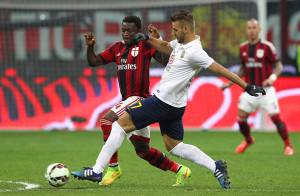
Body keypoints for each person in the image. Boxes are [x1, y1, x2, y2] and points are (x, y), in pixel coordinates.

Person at [72, 10, 265, 189]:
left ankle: (98, 170)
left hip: (162, 102)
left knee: (118, 124)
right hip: (175, 106)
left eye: (175, 29)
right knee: (175, 147)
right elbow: (164, 46)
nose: (172, 33)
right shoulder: (181, 43)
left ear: (186, 29)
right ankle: (215, 166)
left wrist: (246, 86)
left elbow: (220, 69)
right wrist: (148, 38)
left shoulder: (195, 51)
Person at [75, 15, 191, 186]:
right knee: (142, 151)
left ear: (138, 31)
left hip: (139, 98)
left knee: (107, 120)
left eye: (129, 30)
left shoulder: (144, 45)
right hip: (132, 104)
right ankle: (180, 169)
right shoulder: (117, 48)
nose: (126, 33)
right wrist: (90, 48)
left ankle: (111, 168)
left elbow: (166, 61)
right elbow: (94, 61)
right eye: (123, 30)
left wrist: (157, 40)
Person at [221, 19, 294, 156]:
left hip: (266, 91)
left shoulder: (267, 47)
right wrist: (229, 83)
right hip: (250, 90)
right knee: (241, 119)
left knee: (276, 119)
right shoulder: (243, 48)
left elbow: (279, 66)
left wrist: (271, 79)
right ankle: (248, 140)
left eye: (254, 27)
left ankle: (288, 146)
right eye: (249, 28)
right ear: (246, 30)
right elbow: (242, 69)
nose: (252, 30)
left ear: (259, 29)